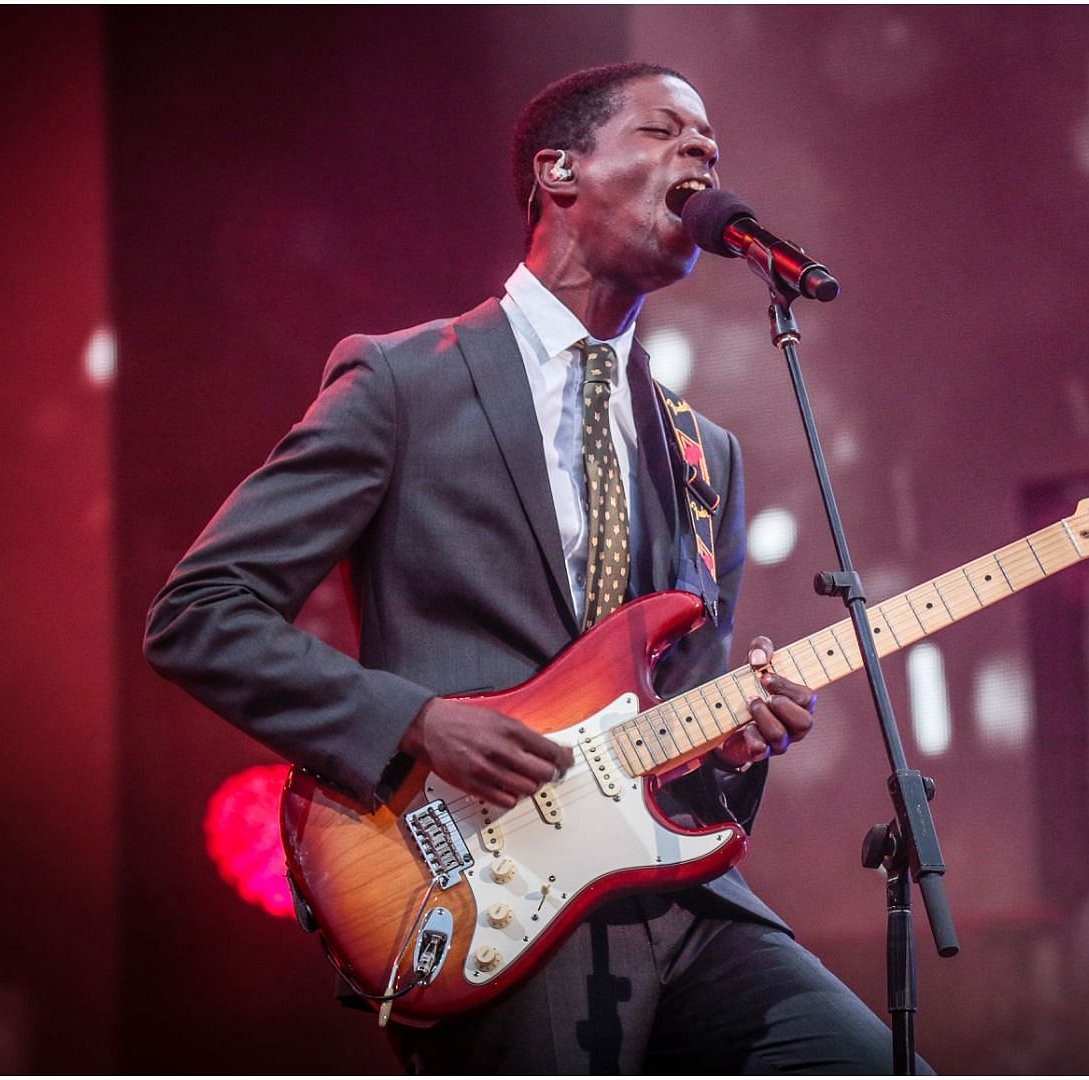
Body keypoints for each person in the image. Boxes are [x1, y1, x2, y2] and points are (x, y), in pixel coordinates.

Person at [145, 62, 917, 1073]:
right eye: (666, 132)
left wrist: (734, 745)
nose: (702, 154)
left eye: (711, 146)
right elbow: (200, 614)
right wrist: (411, 722)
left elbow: (682, 704)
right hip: (486, 884)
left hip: (672, 891)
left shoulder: (704, 453)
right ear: (559, 172)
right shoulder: (403, 381)